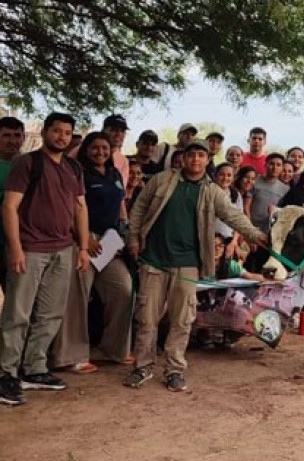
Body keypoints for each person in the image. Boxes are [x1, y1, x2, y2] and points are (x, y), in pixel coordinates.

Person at [124, 139, 267, 392]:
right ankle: (142, 366)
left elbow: (232, 215)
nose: (196, 160)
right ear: (184, 157)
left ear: (207, 160)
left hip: (187, 264)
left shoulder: (212, 191)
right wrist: (133, 238)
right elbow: (139, 207)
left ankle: (175, 369)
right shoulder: (162, 180)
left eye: (201, 155)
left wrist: (255, 234)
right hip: (154, 260)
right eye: (192, 155)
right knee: (147, 318)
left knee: (182, 320)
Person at [0, 112, 89, 405]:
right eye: (57, 131)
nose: (62, 137)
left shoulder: (74, 167)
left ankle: (34, 369)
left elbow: (80, 208)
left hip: (63, 249)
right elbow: (10, 206)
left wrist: (84, 247)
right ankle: (6, 374)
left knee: (50, 314)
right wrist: (15, 248)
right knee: (18, 314)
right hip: (30, 248)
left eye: (67, 132)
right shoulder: (27, 163)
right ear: (46, 132)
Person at [51, 132, 133, 374]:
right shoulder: (77, 173)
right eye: (95, 147)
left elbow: (121, 206)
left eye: (105, 148)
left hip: (109, 245)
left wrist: (123, 235)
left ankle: (115, 349)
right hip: (83, 243)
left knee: (124, 290)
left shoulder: (115, 173)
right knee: (76, 300)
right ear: (86, 149)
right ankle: (70, 356)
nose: (100, 152)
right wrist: (84, 237)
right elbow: (68, 208)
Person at [245, 153, 289, 272]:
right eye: (272, 164)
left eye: (278, 165)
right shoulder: (255, 181)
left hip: (270, 236)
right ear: (266, 164)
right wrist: (250, 232)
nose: (274, 167)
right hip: (251, 231)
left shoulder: (285, 189)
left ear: (282, 168)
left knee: (264, 269)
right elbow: (246, 207)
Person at [0, 116, 24, 290]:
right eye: (6, 135)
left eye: (17, 135)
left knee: (15, 297)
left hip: (18, 243)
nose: (12, 141)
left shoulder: (30, 165)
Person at [213, 163, 243, 259]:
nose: (225, 178)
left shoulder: (236, 195)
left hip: (228, 239)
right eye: (222, 174)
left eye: (229, 175)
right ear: (215, 176)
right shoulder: (208, 192)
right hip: (209, 239)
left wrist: (234, 242)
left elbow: (239, 221)